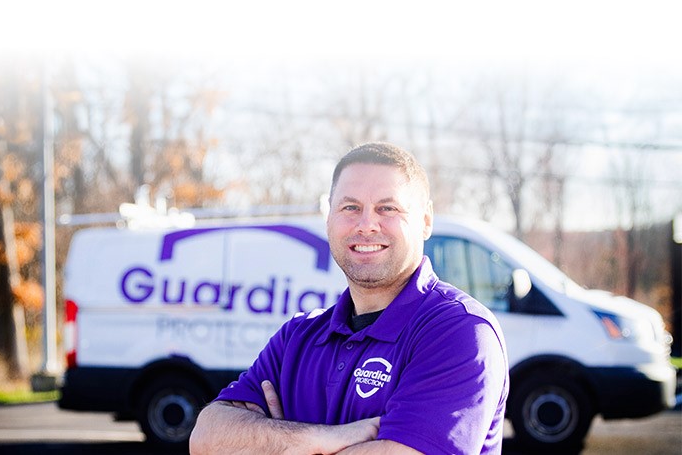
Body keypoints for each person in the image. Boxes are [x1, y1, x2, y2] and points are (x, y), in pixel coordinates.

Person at [189, 142, 509, 454]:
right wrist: (321, 438)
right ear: (329, 218)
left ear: (425, 220)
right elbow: (206, 438)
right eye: (350, 207)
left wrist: (272, 442)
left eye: (387, 208)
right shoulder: (297, 338)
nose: (367, 224)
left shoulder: (458, 332)